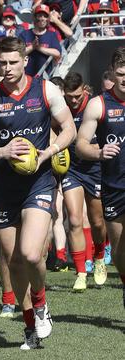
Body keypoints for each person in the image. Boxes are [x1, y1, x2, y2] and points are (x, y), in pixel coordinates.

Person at [0, 37, 76, 349]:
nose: (6, 69)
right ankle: (30, 325)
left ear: (23, 60)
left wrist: (50, 151)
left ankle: (41, 302)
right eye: (1, 63)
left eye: (12, 63)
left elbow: (69, 127)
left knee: (31, 253)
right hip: (4, 187)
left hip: (39, 182)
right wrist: (1, 151)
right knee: (14, 261)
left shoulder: (46, 89)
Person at [76, 46, 125, 309]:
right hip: (114, 185)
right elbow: (81, 144)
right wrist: (99, 151)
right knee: (118, 250)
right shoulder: (99, 104)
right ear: (112, 74)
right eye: (120, 73)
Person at [60, 72, 108, 291]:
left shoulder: (95, 106)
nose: (74, 101)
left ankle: (99, 257)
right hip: (72, 170)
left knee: (97, 221)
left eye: (77, 96)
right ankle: (81, 271)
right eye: (69, 97)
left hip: (96, 168)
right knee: (75, 219)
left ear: (85, 91)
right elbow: (52, 131)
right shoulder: (61, 110)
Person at [18, 5, 62, 76]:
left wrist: (39, 48)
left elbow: (57, 53)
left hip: (45, 76)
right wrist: (32, 47)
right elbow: (18, 54)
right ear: (35, 17)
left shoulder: (52, 35)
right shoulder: (24, 34)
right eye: (40, 16)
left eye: (45, 16)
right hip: (26, 76)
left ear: (48, 19)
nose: (42, 18)